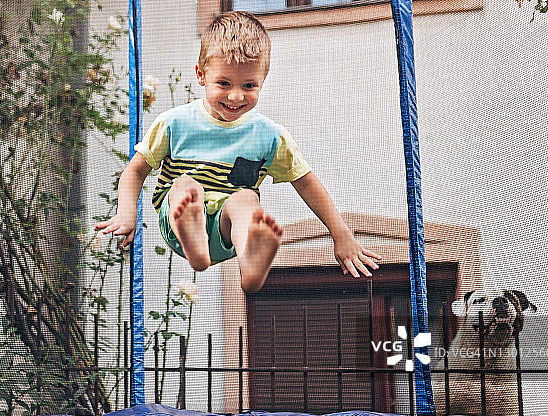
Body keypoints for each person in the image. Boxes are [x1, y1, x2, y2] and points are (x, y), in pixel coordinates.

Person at [95, 11, 381, 292]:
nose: (235, 96)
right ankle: (194, 242)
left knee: (244, 199)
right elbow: (135, 170)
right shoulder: (174, 123)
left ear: (262, 81)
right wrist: (126, 212)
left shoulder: (269, 136)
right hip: (176, 222)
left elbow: (305, 181)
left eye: (249, 86)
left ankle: (250, 262)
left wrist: (341, 234)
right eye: (224, 83)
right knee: (185, 187)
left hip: (228, 232)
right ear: (201, 75)